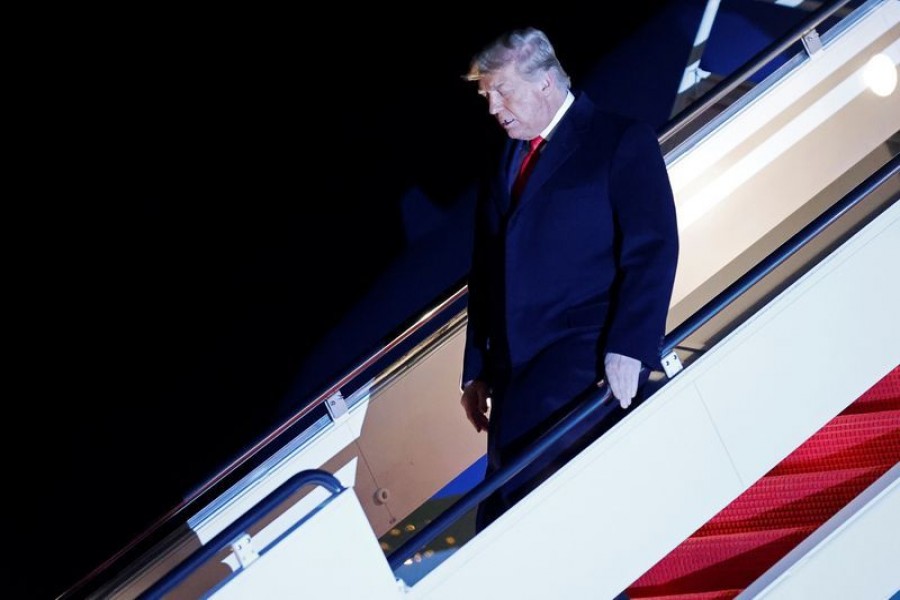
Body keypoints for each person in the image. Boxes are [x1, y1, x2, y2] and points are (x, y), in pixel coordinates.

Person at [459, 27, 679, 530]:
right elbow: (486, 272)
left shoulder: (618, 140)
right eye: (486, 95)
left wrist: (632, 345)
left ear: (543, 83)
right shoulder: (503, 165)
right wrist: (476, 368)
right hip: (516, 378)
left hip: (581, 364)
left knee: (540, 520)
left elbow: (653, 247)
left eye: (501, 91)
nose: (493, 107)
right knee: (500, 522)